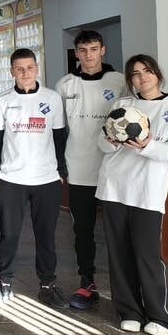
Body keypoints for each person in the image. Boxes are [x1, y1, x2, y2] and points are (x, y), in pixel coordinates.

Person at [96, 54, 168, 335]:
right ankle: (129, 310)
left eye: (147, 71)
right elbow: (101, 141)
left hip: (147, 190)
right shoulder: (122, 105)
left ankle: (163, 317)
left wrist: (146, 145)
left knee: (147, 255)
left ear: (157, 74)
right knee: (119, 254)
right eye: (135, 74)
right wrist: (111, 141)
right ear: (129, 80)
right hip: (114, 187)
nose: (142, 77)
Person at [0, 48, 68, 309]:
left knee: (46, 235)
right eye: (19, 68)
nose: (25, 73)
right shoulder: (1, 101)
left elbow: (59, 137)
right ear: (12, 72)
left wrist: (61, 172)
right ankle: (4, 282)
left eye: (30, 67)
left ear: (37, 68)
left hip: (46, 179)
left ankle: (47, 284)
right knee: (9, 234)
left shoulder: (53, 98)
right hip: (11, 178)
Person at [55, 30, 127, 309]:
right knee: (82, 231)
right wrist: (60, 165)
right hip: (79, 168)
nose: (88, 55)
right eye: (83, 50)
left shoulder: (119, 81)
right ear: (76, 53)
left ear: (103, 50)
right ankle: (87, 282)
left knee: (117, 231)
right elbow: (59, 129)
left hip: (114, 168)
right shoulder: (65, 84)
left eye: (93, 49)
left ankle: (124, 287)